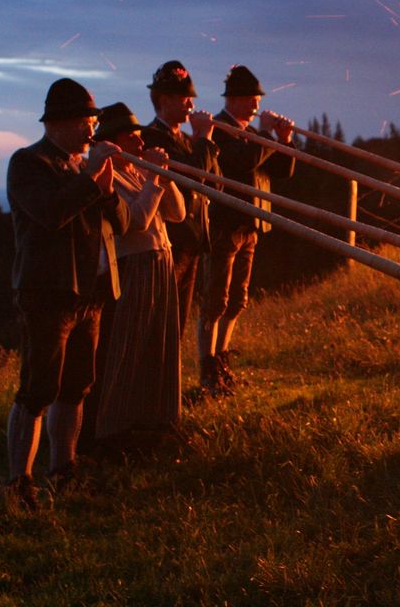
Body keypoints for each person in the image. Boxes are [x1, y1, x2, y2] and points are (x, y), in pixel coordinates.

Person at [5, 78, 128, 507]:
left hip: (87, 294)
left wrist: (110, 190)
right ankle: (20, 482)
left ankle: (63, 468)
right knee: (38, 389)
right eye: (83, 122)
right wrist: (93, 176)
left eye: (92, 121)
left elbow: (124, 222)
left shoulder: (82, 167)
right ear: (56, 124)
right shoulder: (27, 163)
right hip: (47, 294)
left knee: (77, 386)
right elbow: (52, 213)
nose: (90, 130)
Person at [91, 103, 187, 449]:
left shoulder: (137, 171)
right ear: (112, 142)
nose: (138, 142)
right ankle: (117, 427)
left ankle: (155, 419)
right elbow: (136, 221)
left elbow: (177, 213)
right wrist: (153, 178)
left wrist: (160, 176)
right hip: (134, 264)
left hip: (161, 260)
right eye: (130, 136)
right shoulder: (109, 176)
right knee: (130, 344)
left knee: (159, 343)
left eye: (137, 135)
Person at [196, 64, 294, 395]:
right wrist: (267, 135)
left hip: (251, 222)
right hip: (225, 223)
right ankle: (207, 366)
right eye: (251, 100)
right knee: (215, 299)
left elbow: (280, 170)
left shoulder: (251, 132)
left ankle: (221, 358)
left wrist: (284, 140)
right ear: (234, 101)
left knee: (237, 299)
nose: (256, 107)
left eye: (256, 101)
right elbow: (243, 162)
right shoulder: (220, 129)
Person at [139, 61, 219, 343]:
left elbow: (215, 182)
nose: (190, 106)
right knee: (162, 319)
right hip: (171, 240)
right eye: (185, 99)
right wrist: (205, 140)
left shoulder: (186, 139)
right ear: (164, 100)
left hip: (191, 239)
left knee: (179, 321)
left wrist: (203, 142)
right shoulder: (152, 137)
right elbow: (193, 176)